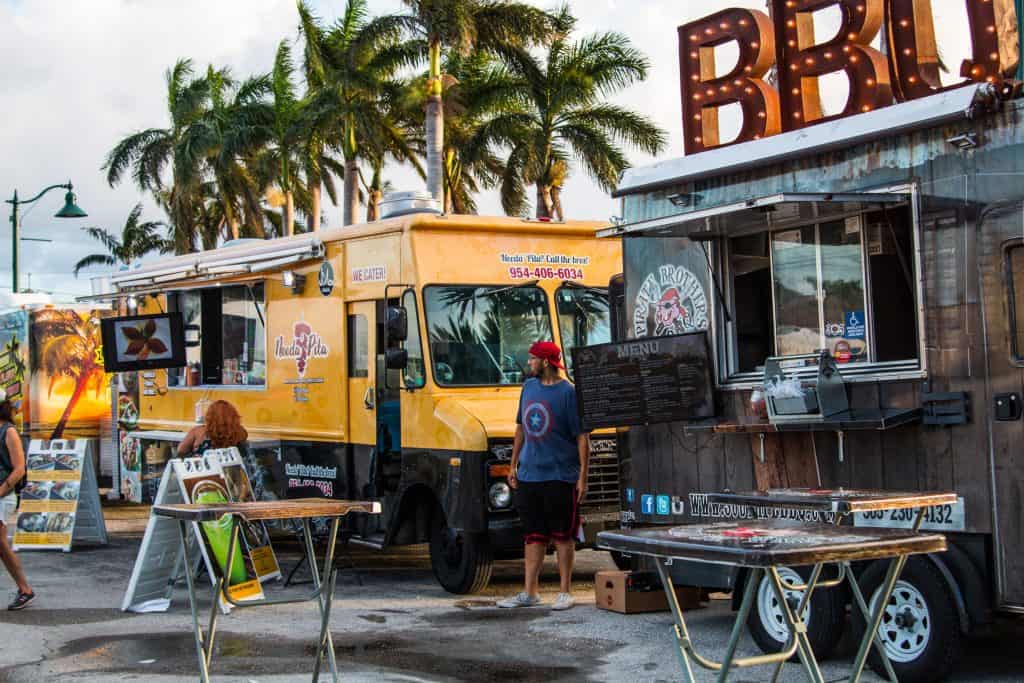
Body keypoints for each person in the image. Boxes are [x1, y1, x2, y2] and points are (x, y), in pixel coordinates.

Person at [498, 341, 589, 611]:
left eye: (533, 359)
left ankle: (565, 592)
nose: (529, 363)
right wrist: (513, 465)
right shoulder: (528, 388)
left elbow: (582, 437)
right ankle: (530, 592)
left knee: (563, 536)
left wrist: (582, 476)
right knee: (533, 535)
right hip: (529, 475)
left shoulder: (569, 393)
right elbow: (520, 429)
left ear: (546, 362)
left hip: (560, 476)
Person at [0, 390, 34, 610]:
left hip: (4, 495)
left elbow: (19, 468)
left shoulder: (9, 431)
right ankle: (25, 589)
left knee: (1, 544)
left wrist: (2, 489)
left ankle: (25, 589)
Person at [177, 400, 249, 457]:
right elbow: (244, 437)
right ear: (233, 416)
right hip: (228, 472)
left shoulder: (198, 431)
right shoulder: (240, 432)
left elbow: (181, 450)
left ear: (209, 416)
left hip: (202, 472)